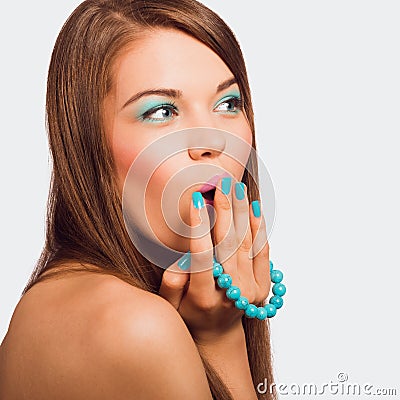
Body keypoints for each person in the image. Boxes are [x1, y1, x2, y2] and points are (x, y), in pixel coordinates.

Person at [0, 1, 277, 399]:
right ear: (87, 144)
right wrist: (222, 340)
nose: (212, 142)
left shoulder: (58, 299)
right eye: (162, 111)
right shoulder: (135, 327)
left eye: (228, 104)